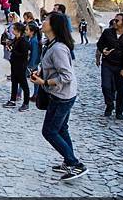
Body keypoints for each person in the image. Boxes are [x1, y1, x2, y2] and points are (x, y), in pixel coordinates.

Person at [30, 13, 88, 181]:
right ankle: (69, 162)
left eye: (46, 20)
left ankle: (75, 164)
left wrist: (45, 82)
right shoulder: (50, 44)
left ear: (54, 26)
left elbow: (66, 76)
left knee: (49, 131)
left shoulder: (58, 48)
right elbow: (50, 65)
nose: (43, 22)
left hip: (62, 95)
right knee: (61, 129)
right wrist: (40, 72)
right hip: (62, 94)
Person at [96, 13, 123, 119]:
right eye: (114, 20)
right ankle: (109, 104)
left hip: (122, 66)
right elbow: (100, 44)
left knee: (121, 90)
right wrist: (103, 50)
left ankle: (119, 111)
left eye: (117, 21)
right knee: (106, 86)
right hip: (107, 63)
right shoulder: (107, 32)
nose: (114, 22)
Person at [3, 22, 30, 111]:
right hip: (14, 65)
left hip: (21, 66)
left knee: (24, 85)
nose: (12, 30)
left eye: (14, 29)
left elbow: (23, 55)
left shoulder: (23, 41)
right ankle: (12, 100)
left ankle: (26, 103)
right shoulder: (16, 39)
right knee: (14, 83)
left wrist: (12, 50)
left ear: (18, 31)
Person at [26, 22, 42, 102]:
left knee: (27, 79)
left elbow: (34, 54)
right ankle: (35, 95)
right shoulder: (32, 39)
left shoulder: (34, 41)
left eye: (27, 30)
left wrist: (31, 65)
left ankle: (35, 95)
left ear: (31, 32)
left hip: (33, 64)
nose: (25, 31)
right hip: (32, 63)